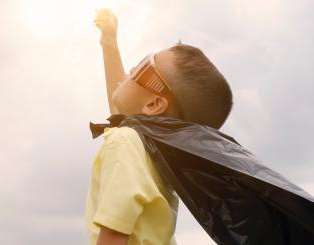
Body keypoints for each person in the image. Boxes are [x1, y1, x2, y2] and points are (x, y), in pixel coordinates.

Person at [85, 8, 233, 245]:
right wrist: (109, 41)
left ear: (154, 103)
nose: (133, 67)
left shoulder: (125, 141)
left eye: (145, 66)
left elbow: (114, 233)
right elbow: (122, 112)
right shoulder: (153, 148)